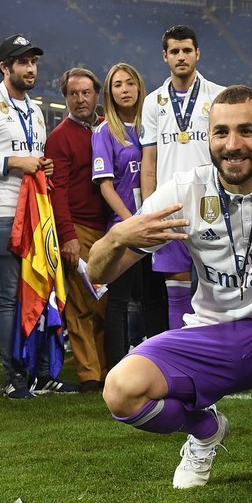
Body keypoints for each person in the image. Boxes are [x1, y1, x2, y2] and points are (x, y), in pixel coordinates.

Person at [91, 85, 252, 488]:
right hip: (211, 335)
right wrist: (117, 237)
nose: (233, 144)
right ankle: (205, 430)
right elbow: (100, 273)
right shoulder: (184, 189)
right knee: (121, 390)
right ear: (209, 139)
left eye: (246, 131)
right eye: (221, 132)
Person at [0, 34, 57, 399]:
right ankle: (13, 376)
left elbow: (32, 158)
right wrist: (14, 162)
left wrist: (42, 165)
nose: (30, 68)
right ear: (4, 68)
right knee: (7, 294)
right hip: (1, 211)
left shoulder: (36, 111)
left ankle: (36, 371)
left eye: (33, 62)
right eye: (22, 62)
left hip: (35, 212)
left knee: (34, 289)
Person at [140, 25, 225, 330]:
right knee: (175, 291)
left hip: (212, 203)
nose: (181, 56)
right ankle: (180, 358)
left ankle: (217, 353)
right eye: (174, 51)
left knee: (217, 287)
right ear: (165, 56)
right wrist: (150, 210)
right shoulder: (153, 102)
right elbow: (148, 162)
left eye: (187, 50)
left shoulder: (218, 96)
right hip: (171, 206)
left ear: (197, 53)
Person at [92, 63, 167, 372]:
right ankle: (117, 370)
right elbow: (105, 186)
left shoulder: (152, 125)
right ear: (110, 93)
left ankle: (159, 364)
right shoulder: (104, 131)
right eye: (117, 85)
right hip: (125, 228)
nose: (124, 89)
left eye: (129, 83)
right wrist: (132, 221)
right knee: (120, 301)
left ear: (139, 88)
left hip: (157, 225)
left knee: (154, 296)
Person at [44, 68, 109, 393]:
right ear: (65, 97)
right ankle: (89, 376)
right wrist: (67, 235)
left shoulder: (104, 128)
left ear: (96, 95)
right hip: (79, 229)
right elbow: (59, 191)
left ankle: (102, 366)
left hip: (109, 229)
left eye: (86, 93)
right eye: (73, 93)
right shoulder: (60, 137)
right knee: (83, 304)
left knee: (103, 303)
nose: (80, 99)